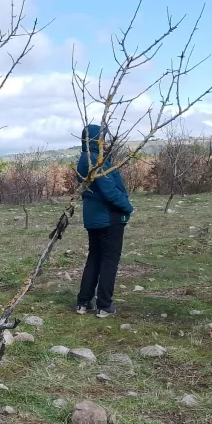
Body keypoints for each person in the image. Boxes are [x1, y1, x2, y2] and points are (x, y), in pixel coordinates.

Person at [75, 124, 134, 318]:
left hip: (93, 218)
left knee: (95, 258)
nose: (106, 141)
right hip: (109, 217)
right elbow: (109, 190)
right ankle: (104, 305)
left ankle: (83, 302)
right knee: (109, 261)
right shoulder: (97, 161)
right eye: (102, 138)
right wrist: (127, 206)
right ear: (95, 140)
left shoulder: (83, 159)